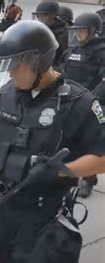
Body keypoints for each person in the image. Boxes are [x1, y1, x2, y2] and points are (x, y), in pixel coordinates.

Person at [0, 20, 105, 263]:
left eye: (16, 65)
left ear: (39, 62)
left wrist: (62, 171)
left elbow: (102, 158)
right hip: (7, 209)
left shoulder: (79, 103)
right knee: (6, 257)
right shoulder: (7, 94)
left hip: (47, 216)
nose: (10, 72)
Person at [64, 12, 105, 197]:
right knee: (69, 140)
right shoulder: (73, 51)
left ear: (93, 32)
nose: (78, 34)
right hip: (72, 101)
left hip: (94, 103)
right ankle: (73, 174)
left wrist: (92, 98)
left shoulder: (102, 52)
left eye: (82, 31)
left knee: (90, 141)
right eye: (77, 31)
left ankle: (89, 178)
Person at [32, 1, 68, 68]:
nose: (40, 18)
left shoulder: (64, 34)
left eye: (44, 15)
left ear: (53, 15)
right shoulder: (39, 32)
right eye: (38, 16)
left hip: (53, 72)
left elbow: (65, 60)